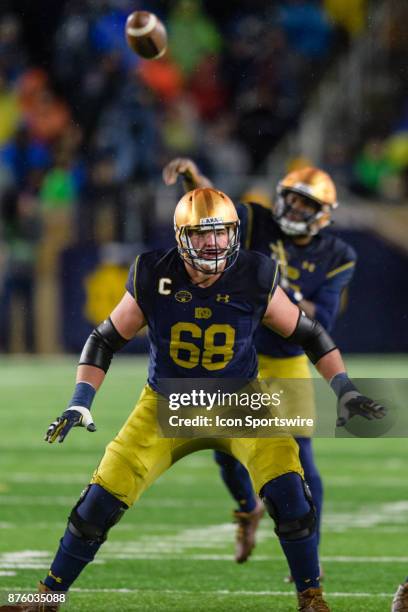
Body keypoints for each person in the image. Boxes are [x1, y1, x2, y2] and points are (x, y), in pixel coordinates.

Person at [2, 188, 385, 612]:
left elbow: (310, 333)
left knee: (292, 496)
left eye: (221, 233)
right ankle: (45, 598)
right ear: (181, 237)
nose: (213, 244)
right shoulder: (154, 272)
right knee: (98, 502)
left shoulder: (255, 274)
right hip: (168, 402)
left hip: (240, 403)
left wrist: (344, 389)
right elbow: (104, 338)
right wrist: (80, 398)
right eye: (202, 235)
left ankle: (311, 598)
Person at [163, 159, 357, 567]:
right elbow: (218, 209)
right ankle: (246, 510)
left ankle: (310, 553)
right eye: (291, 199)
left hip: (287, 359)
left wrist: (274, 287)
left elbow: (317, 319)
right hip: (241, 351)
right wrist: (196, 180)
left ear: (322, 214)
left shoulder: (338, 254)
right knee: (223, 447)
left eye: (306, 206)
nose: (294, 210)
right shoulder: (254, 219)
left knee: (301, 459)